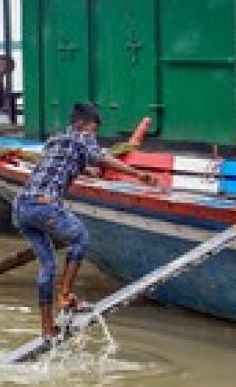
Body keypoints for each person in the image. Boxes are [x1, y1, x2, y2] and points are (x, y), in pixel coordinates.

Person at [12, 103, 157, 342]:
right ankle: (65, 296)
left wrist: (84, 170)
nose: (94, 135)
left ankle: (47, 328)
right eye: (93, 129)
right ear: (82, 124)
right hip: (43, 205)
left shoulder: (57, 139)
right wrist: (138, 174)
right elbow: (100, 157)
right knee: (80, 237)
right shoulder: (82, 137)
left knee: (47, 266)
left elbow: (59, 164)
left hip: (21, 208)